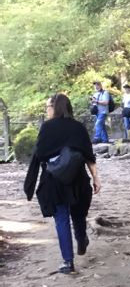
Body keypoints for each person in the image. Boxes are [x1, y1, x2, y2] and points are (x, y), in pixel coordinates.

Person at [24, 94, 101, 274]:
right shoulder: (79, 128)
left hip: (54, 180)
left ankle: (68, 262)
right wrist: (96, 178)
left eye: (48, 107)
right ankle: (81, 239)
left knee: (61, 219)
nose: (47, 110)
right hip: (78, 179)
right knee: (78, 214)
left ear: (56, 107)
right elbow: (89, 156)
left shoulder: (47, 128)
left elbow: (41, 154)